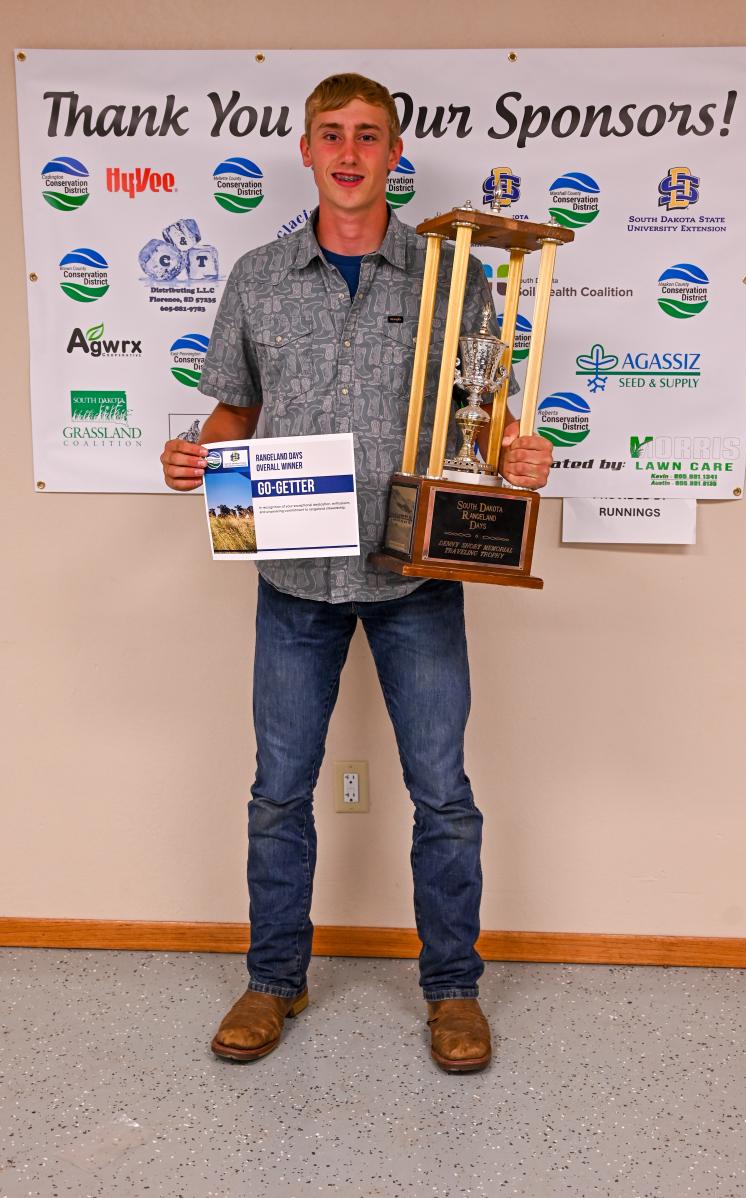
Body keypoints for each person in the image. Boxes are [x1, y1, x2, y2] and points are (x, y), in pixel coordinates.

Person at [160, 73, 553, 1073]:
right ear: (304, 149)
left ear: (392, 154)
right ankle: (273, 974)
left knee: (444, 792)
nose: (348, 152)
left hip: (415, 575)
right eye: (330, 135)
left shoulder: (448, 273)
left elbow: (483, 419)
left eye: (367, 136)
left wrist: (514, 453)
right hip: (292, 579)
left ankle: (452, 989)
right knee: (278, 790)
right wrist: (198, 458)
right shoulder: (255, 276)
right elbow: (231, 414)